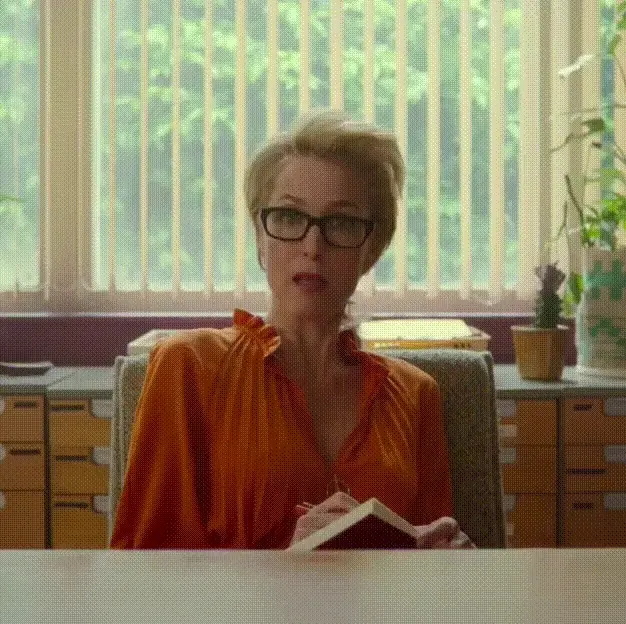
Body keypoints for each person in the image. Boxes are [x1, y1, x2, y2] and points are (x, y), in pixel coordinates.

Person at [110, 111, 474, 550]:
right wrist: (283, 563)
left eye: (341, 223)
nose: (312, 247)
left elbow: (428, 567)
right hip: (239, 602)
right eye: (288, 217)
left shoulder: (416, 395)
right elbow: (144, 572)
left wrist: (451, 562)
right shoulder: (187, 366)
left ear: (372, 249)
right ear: (260, 238)